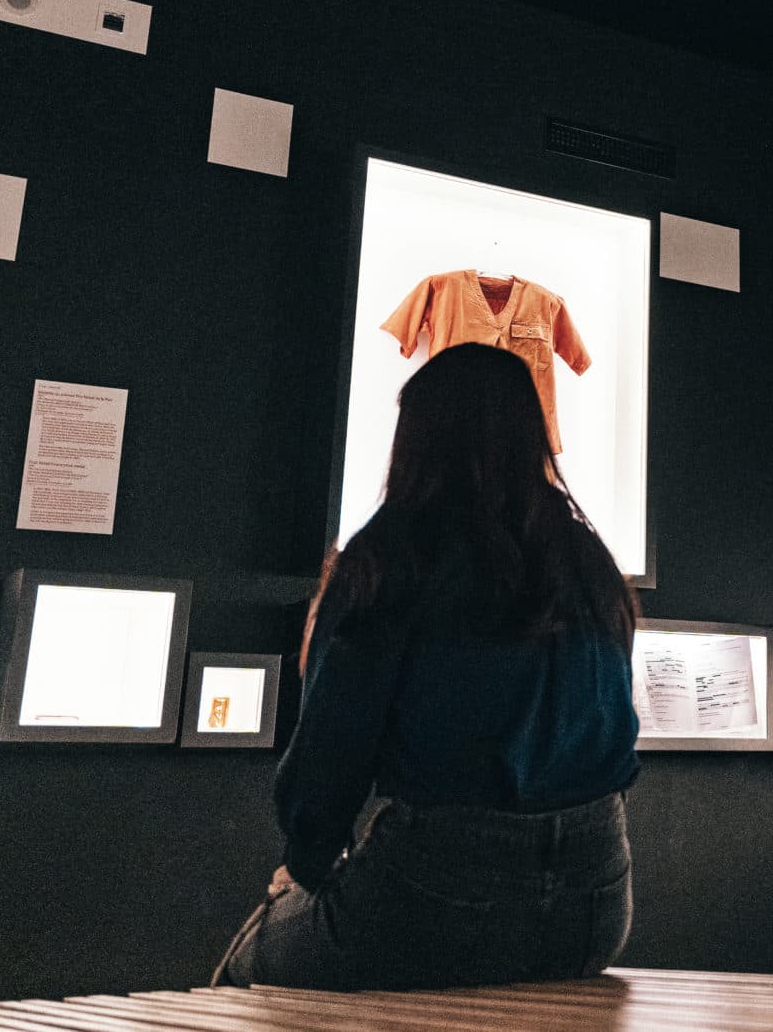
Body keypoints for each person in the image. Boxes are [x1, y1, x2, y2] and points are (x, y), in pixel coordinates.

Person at [217, 343, 641, 988]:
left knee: (247, 976)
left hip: (440, 889)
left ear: (417, 437)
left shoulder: (391, 557)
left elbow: (332, 749)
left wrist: (302, 867)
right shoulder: (587, 559)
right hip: (597, 902)